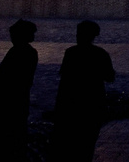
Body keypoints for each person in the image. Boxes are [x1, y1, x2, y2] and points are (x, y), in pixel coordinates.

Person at [51, 20, 115, 162]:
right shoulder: (100, 53)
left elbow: (64, 79)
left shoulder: (71, 52)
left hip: (70, 104)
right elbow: (110, 76)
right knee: (87, 145)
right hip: (92, 103)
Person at [0, 18, 38, 159]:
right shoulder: (28, 52)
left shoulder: (18, 51)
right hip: (20, 97)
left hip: (9, 97)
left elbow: (0, 76)